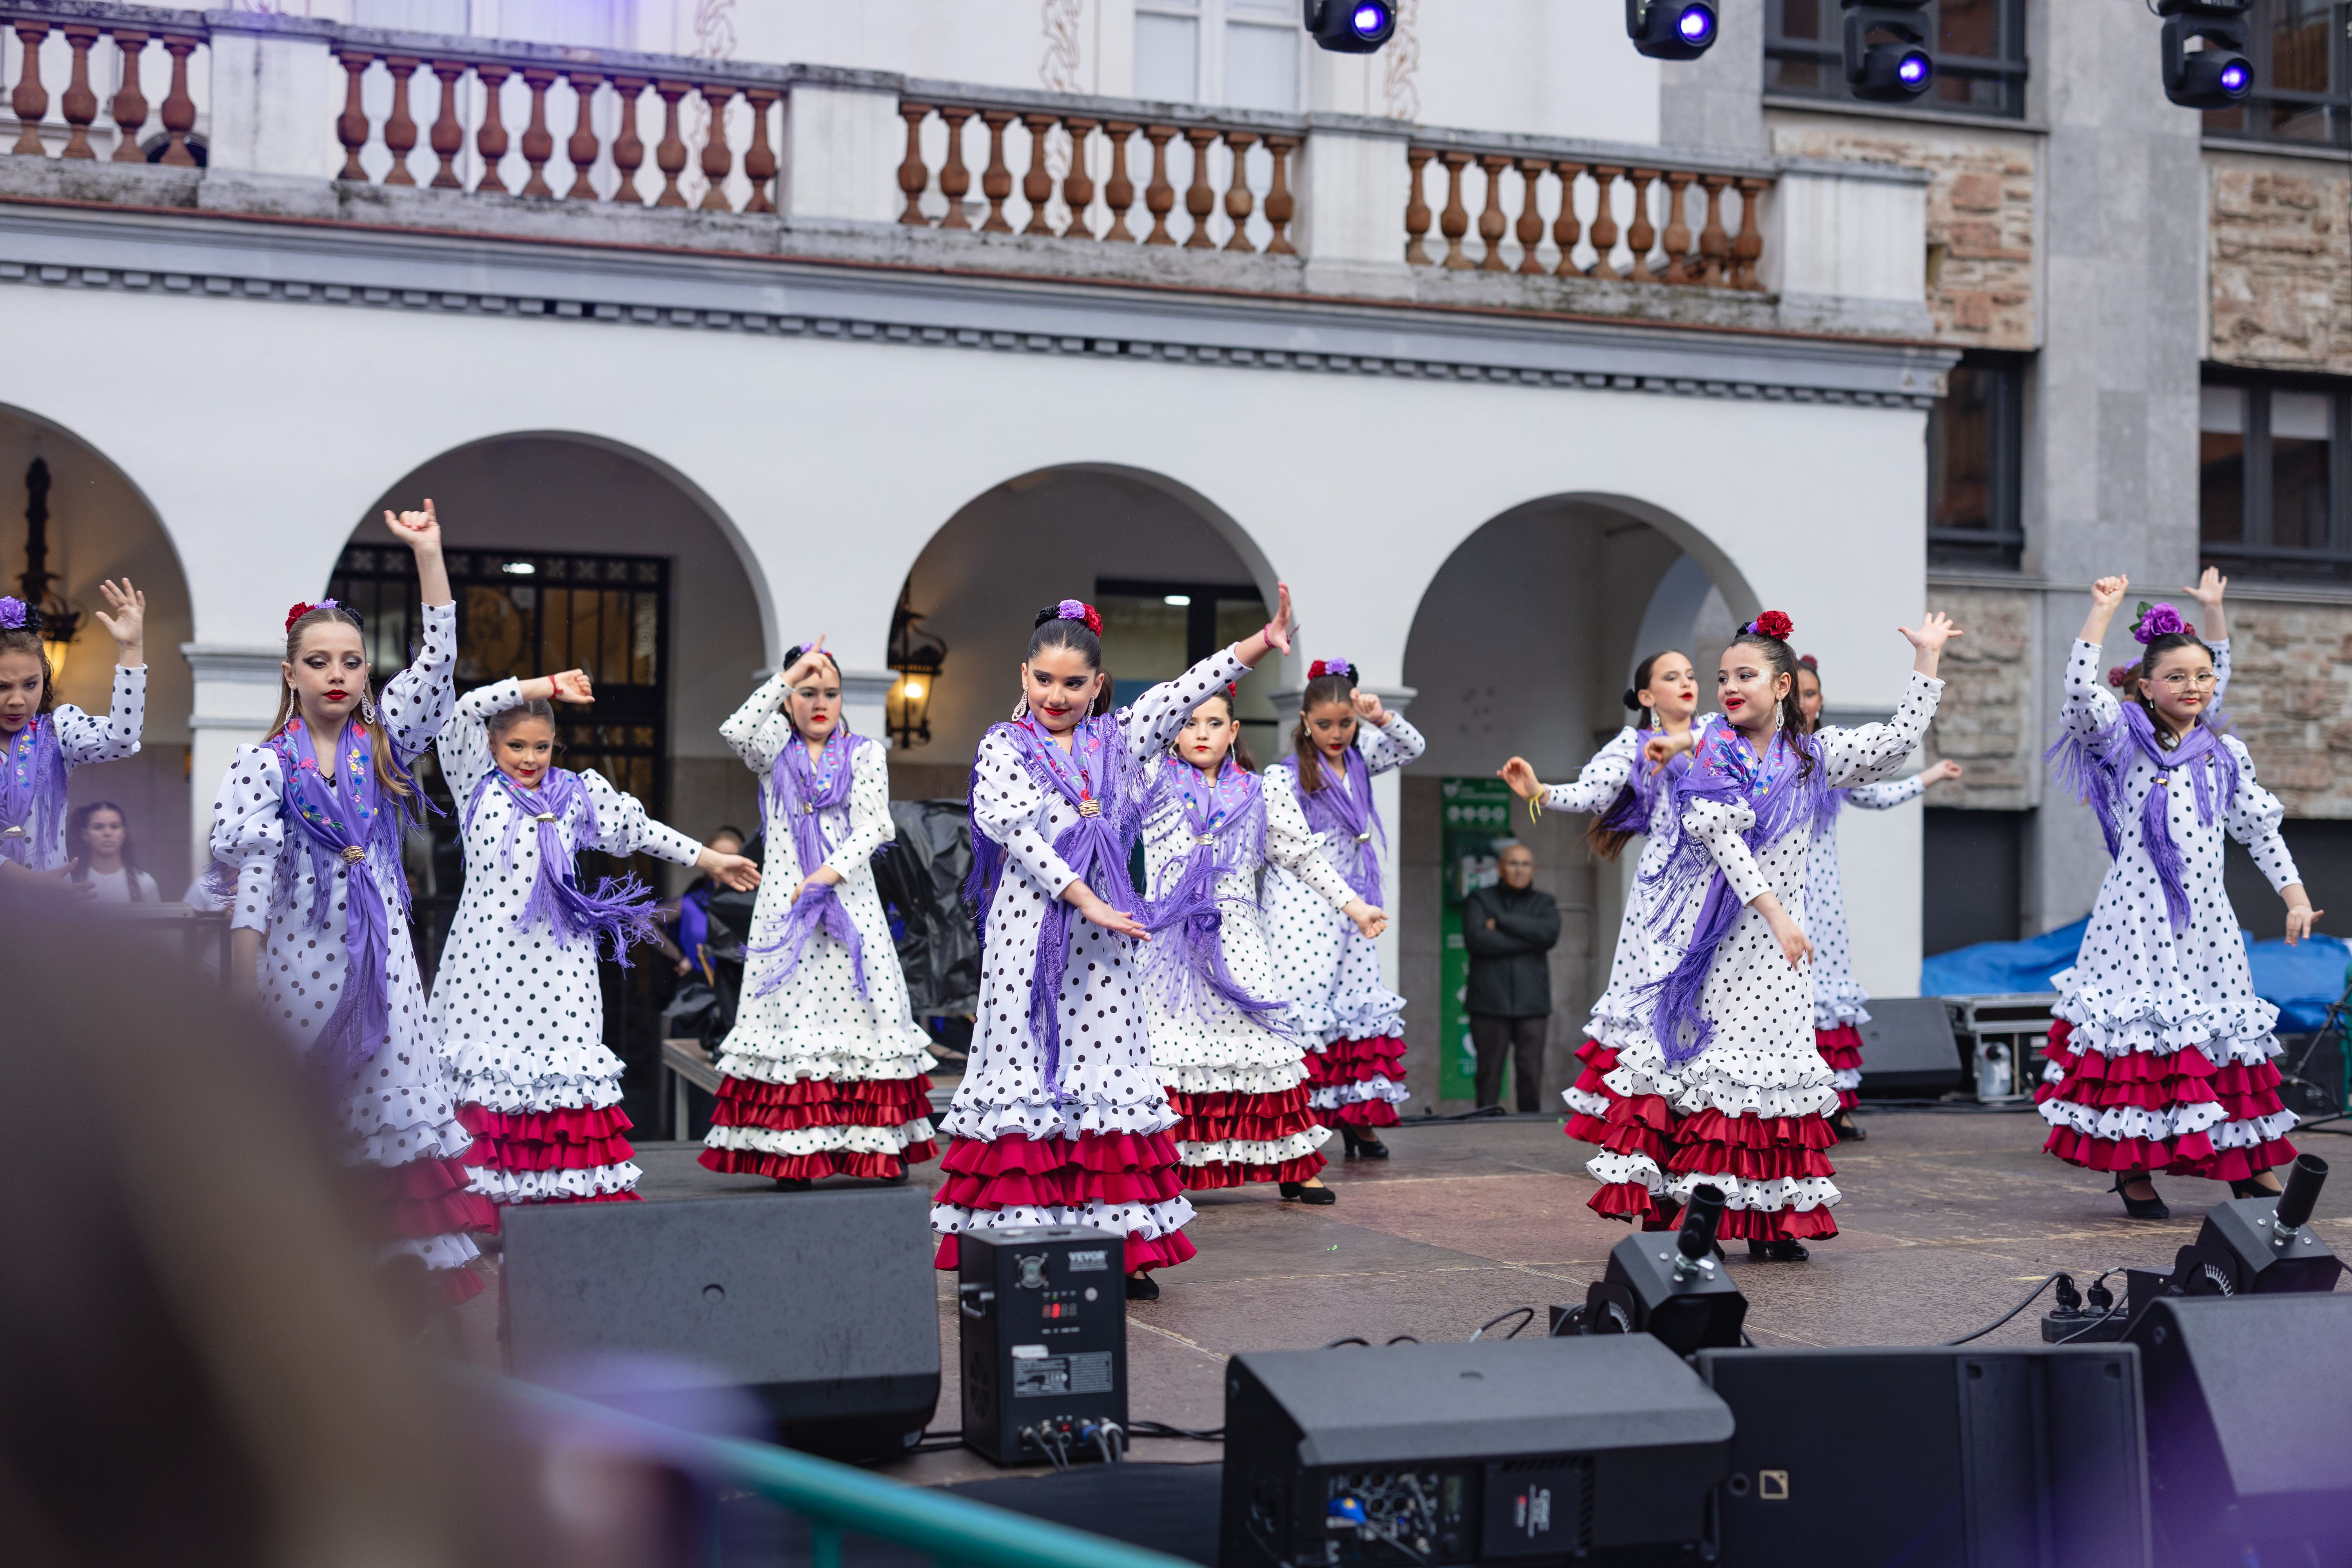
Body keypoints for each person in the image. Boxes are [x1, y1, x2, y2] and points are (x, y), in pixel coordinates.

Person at [936, 592, 1294, 1300]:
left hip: (1103, 943)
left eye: (1074, 683)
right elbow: (1021, 840)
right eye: (1044, 680)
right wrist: (1089, 900)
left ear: (1098, 684)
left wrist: (1261, 641)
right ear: (1023, 675)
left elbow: (1185, 689)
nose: (1057, 695)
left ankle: (1119, 1248)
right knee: (1028, 1077)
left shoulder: (1119, 739)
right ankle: (1023, 1249)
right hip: (1031, 935)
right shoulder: (1003, 746)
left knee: (1106, 1079)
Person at [1585, 610, 1956, 1259]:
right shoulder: (1716, 750)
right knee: (1704, 1073)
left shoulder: (1815, 757)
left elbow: (1897, 743)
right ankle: (1690, 1215)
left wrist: (1926, 660)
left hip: (1780, 956)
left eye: (1746, 676)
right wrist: (1776, 912)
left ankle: (1768, 1222)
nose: (1729, 687)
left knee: (1772, 1078)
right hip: (1717, 943)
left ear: (1783, 686)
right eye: (1724, 677)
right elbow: (1722, 837)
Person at [208, 500, 495, 1302]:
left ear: (367, 673)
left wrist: (429, 554)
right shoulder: (265, 764)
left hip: (386, 966)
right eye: (319, 661)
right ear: (291, 673)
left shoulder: (385, 743)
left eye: (351, 661)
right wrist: (242, 990)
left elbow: (439, 663)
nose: (337, 673)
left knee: (390, 1125)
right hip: (300, 966)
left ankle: (400, 1300)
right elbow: (252, 883)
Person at [433, 673, 759, 1216]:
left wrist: (711, 859)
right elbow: (467, 707)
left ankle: (561, 1207)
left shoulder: (577, 793)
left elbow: (642, 832)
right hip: (488, 959)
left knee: (563, 1075)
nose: (530, 758)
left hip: (561, 960)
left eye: (542, 747)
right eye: (517, 746)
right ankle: (488, 1207)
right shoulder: (474, 781)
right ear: (491, 743)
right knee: (493, 1074)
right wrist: (547, 686)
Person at [2039, 573, 2312, 1217]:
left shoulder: (2224, 753)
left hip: (2207, 923)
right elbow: (2079, 693)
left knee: (2223, 1036)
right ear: (2146, 685)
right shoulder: (2120, 740)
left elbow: (2259, 830)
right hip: (2136, 920)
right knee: (2142, 1040)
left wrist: (2295, 897)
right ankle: (2134, 1169)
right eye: (2177, 677)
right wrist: (2101, 612)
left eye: (2203, 676)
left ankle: (2246, 1166)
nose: (2194, 686)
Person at [701, 643, 941, 1189]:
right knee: (794, 1027)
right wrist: (787, 677)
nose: (819, 704)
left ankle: (876, 1149)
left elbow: (877, 826)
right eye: (807, 693)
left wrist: (827, 874)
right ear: (790, 698)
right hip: (786, 913)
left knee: (867, 1021)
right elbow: (736, 729)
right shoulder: (773, 749)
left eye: (830, 693)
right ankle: (796, 1154)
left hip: (849, 907)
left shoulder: (864, 752)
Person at [1140, 681, 1387, 1203]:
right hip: (1169, 941)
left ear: (1233, 731)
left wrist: (1355, 906)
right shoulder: (1152, 778)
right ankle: (1162, 1168)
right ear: (1171, 731)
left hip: (1238, 937)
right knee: (1169, 1051)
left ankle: (1293, 1165)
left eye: (1213, 723)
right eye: (1189, 723)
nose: (1201, 733)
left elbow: (1304, 857)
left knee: (1266, 1048)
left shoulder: (1260, 790)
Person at [1502, 651, 1700, 1209]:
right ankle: (1657, 1145)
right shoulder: (1632, 746)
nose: (1686, 683)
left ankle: (1706, 1143)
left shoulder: (1719, 732)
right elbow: (1591, 793)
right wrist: (1541, 792)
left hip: (1721, 886)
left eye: (1690, 675)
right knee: (1659, 1010)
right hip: (1664, 889)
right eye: (1671, 677)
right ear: (1647, 697)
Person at [1793, 654, 1963, 1141]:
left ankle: (1834, 1105)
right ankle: (1790, 1106)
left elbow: (1878, 794)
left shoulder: (1832, 755)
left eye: (1811, 693)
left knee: (1829, 994)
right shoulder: (1769, 754)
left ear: (1821, 702)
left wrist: (1931, 776)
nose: (1803, 702)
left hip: (1824, 894)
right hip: (1778, 890)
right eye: (1796, 693)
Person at [1265, 660, 1426, 1158]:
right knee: (1306, 1006)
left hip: (1355, 897)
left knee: (1356, 1004)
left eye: (1346, 723)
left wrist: (1381, 718)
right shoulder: (1285, 774)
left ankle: (1356, 1119)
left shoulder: (1361, 758)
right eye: (1325, 724)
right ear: (1305, 721)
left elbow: (1413, 747)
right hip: (1301, 900)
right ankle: (1297, 1125)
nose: (1336, 734)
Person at [0, 578, 147, 870]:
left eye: (30, 685)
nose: (17, 700)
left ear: (45, 679)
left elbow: (122, 739)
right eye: (2, 687)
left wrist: (131, 650)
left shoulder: (59, 729)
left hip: (53, 899)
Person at [1459, 842, 1561, 1112]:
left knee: (1531, 1074)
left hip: (1533, 1004)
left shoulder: (1544, 902)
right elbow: (1477, 940)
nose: (1519, 870)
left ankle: (1530, 1129)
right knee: (1488, 1074)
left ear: (1533, 869)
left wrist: (1502, 922)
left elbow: (1548, 935)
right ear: (1500, 868)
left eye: (1525, 864)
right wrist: (1529, 941)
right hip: (1488, 1002)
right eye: (1513, 863)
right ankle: (1484, 1125)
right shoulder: (1480, 899)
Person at [66, 800, 162, 902]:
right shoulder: (71, 881)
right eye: (98, 827)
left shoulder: (145, 883)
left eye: (115, 827)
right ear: (85, 835)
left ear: (124, 833)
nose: (108, 833)